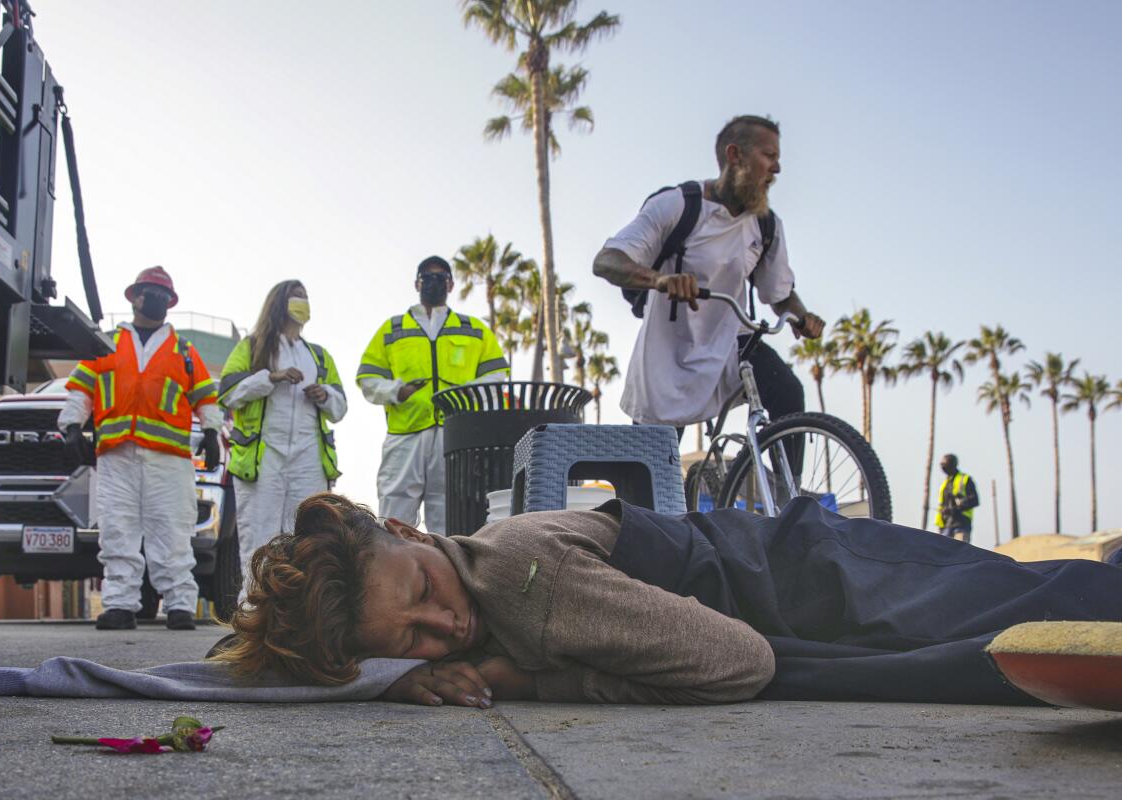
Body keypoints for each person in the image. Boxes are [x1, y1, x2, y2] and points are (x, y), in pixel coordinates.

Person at [211, 493, 1122, 708]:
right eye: (408, 638)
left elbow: (745, 663)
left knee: (1052, 610)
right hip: (790, 552)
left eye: (423, 594)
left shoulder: (523, 584)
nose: (443, 625)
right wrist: (401, 675)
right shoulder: (473, 572)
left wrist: (524, 678)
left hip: (821, 575)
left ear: (410, 534)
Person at [592, 115, 825, 450]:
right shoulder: (678, 205)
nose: (777, 169)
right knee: (653, 478)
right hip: (667, 356)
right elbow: (607, 260)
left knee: (787, 390)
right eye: (769, 156)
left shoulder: (766, 225)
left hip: (732, 342)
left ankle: (787, 493)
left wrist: (803, 317)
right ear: (735, 155)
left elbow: (780, 292)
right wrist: (660, 280)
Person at [60, 266, 221, 631]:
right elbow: (82, 390)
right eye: (153, 293)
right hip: (117, 456)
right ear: (135, 297)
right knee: (118, 530)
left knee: (173, 531)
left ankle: (180, 605)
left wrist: (211, 432)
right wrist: (70, 426)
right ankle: (119, 605)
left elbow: (206, 398)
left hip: (169, 458)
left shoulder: (184, 350)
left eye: (165, 295)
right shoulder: (105, 344)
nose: (159, 301)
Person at [355, 256, 509, 535]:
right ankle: (394, 573)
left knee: (450, 513)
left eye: (440, 278)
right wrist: (396, 391)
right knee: (394, 514)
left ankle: (445, 574)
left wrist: (464, 395)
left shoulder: (473, 329)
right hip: (405, 435)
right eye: (427, 277)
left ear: (450, 284)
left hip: (454, 435)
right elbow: (367, 378)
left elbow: (496, 376)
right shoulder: (393, 329)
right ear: (417, 283)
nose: (433, 283)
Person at [219, 280, 347, 602]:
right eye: (297, 295)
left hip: (308, 457)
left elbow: (340, 407)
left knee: (306, 537)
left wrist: (324, 394)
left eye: (306, 296)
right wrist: (270, 378)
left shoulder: (318, 355)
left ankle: (299, 614)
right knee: (259, 536)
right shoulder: (252, 347)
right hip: (265, 458)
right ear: (279, 302)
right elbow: (228, 393)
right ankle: (252, 610)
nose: (303, 302)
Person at [935, 454, 978, 542]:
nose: (942, 468)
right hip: (945, 526)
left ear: (952, 464)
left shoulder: (965, 479)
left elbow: (974, 500)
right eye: (941, 465)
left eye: (945, 465)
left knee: (960, 553)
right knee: (944, 554)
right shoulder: (945, 483)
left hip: (961, 525)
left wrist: (954, 509)